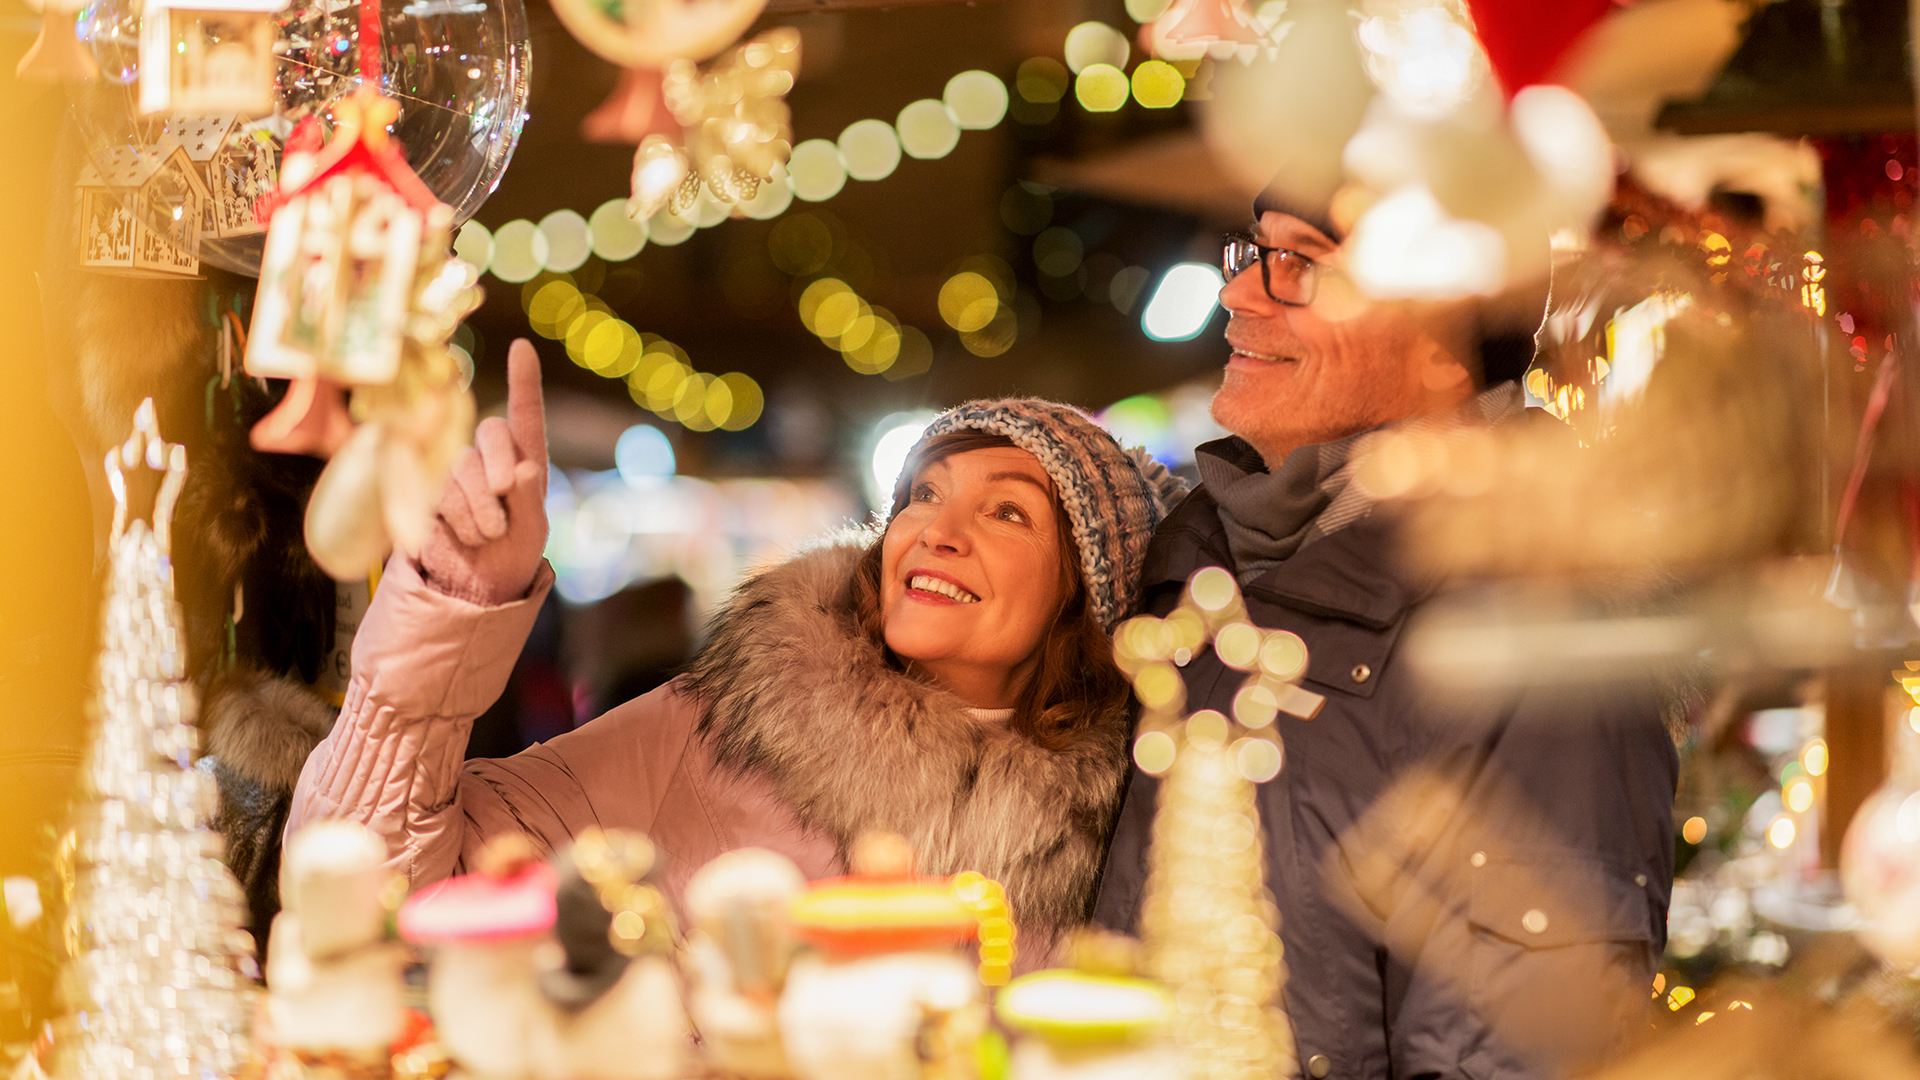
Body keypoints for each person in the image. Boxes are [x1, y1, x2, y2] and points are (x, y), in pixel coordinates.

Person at [286, 342, 1184, 946]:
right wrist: (454, 605)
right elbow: (367, 888)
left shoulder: (1127, 836)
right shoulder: (721, 729)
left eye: (1007, 511)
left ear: (1087, 595)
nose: (934, 531)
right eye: (923, 494)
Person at [1091, 190, 1679, 1079]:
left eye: (1304, 265)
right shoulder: (1194, 566)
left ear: (1446, 332)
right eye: (1253, 252)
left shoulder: (1535, 628)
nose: (1240, 295)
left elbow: (1516, 1054)